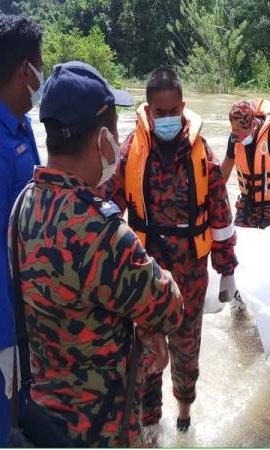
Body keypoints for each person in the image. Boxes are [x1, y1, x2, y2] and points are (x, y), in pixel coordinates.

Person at [9, 61, 184, 446]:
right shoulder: (100, 232)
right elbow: (169, 306)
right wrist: (152, 321)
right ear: (103, 139)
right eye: (116, 129)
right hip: (100, 430)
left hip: (43, 419)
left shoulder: (25, 205)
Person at [102, 67, 238, 432]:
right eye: (159, 113)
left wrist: (227, 269)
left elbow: (220, 213)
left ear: (183, 107)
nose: (166, 119)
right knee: (146, 352)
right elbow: (107, 210)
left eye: (172, 112)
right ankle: (149, 425)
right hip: (145, 274)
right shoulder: (130, 150)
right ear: (148, 111)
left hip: (191, 276)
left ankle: (184, 415)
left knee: (186, 353)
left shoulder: (201, 153)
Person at [0, 15, 43, 446]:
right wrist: (1, 339)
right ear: (26, 70)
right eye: (41, 64)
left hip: (21, 316)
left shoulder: (19, 126)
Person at [220, 99, 270, 229]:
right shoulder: (234, 139)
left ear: (253, 124)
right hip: (246, 202)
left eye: (243, 133)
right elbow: (223, 174)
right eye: (236, 133)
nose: (239, 138)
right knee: (236, 239)